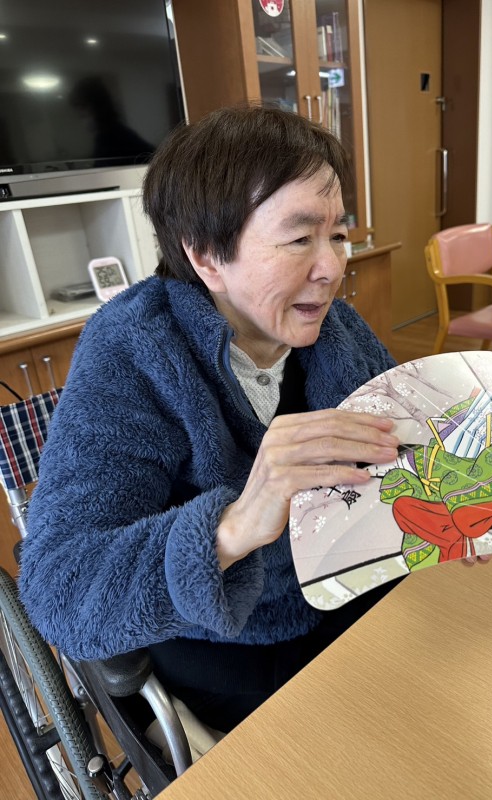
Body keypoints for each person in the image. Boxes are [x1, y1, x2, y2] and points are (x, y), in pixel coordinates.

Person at [18, 104, 407, 734]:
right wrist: (237, 523)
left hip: (347, 594)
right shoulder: (134, 353)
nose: (333, 267)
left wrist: (444, 516)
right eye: (300, 239)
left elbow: (399, 454)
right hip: (229, 649)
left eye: (338, 235)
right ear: (205, 256)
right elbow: (61, 590)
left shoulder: (336, 329)